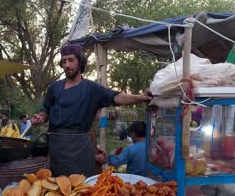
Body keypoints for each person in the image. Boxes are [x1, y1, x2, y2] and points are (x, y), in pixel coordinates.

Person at [31, 44, 152, 177]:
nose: (67, 65)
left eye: (71, 60)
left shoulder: (92, 89)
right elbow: (46, 110)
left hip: (80, 150)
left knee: (81, 189)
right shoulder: (54, 87)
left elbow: (116, 97)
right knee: (55, 187)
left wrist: (140, 97)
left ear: (80, 62)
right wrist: (41, 117)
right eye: (64, 61)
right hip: (55, 149)